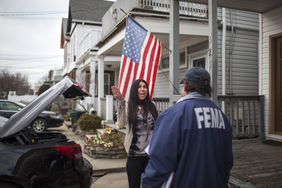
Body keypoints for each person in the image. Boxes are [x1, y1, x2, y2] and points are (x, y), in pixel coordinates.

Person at [142, 67, 233, 188]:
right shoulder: (222, 116)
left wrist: (148, 185)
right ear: (208, 88)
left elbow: (160, 159)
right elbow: (228, 161)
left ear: (185, 85)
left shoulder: (174, 114)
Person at [111, 79, 158, 188]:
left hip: (150, 156)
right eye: (139, 87)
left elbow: (158, 126)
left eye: (144, 87)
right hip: (134, 156)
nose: (142, 89)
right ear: (134, 90)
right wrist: (121, 101)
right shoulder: (129, 106)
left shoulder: (152, 106)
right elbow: (121, 123)